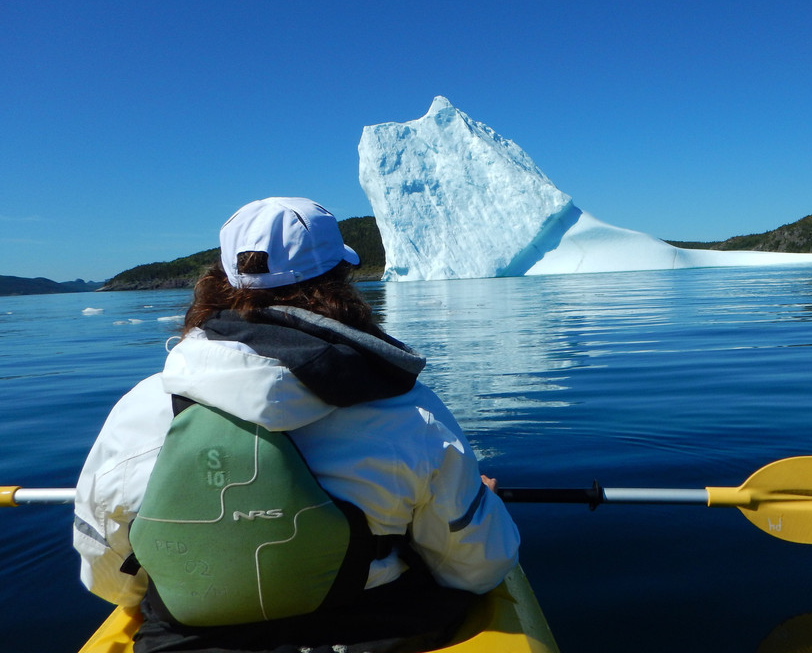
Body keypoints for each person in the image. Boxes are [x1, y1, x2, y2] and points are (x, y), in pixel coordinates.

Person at [74, 197, 520, 653]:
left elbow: (110, 580)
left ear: (220, 282)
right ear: (341, 283)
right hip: (374, 634)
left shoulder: (141, 409)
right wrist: (481, 501)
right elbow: (476, 568)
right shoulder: (409, 411)